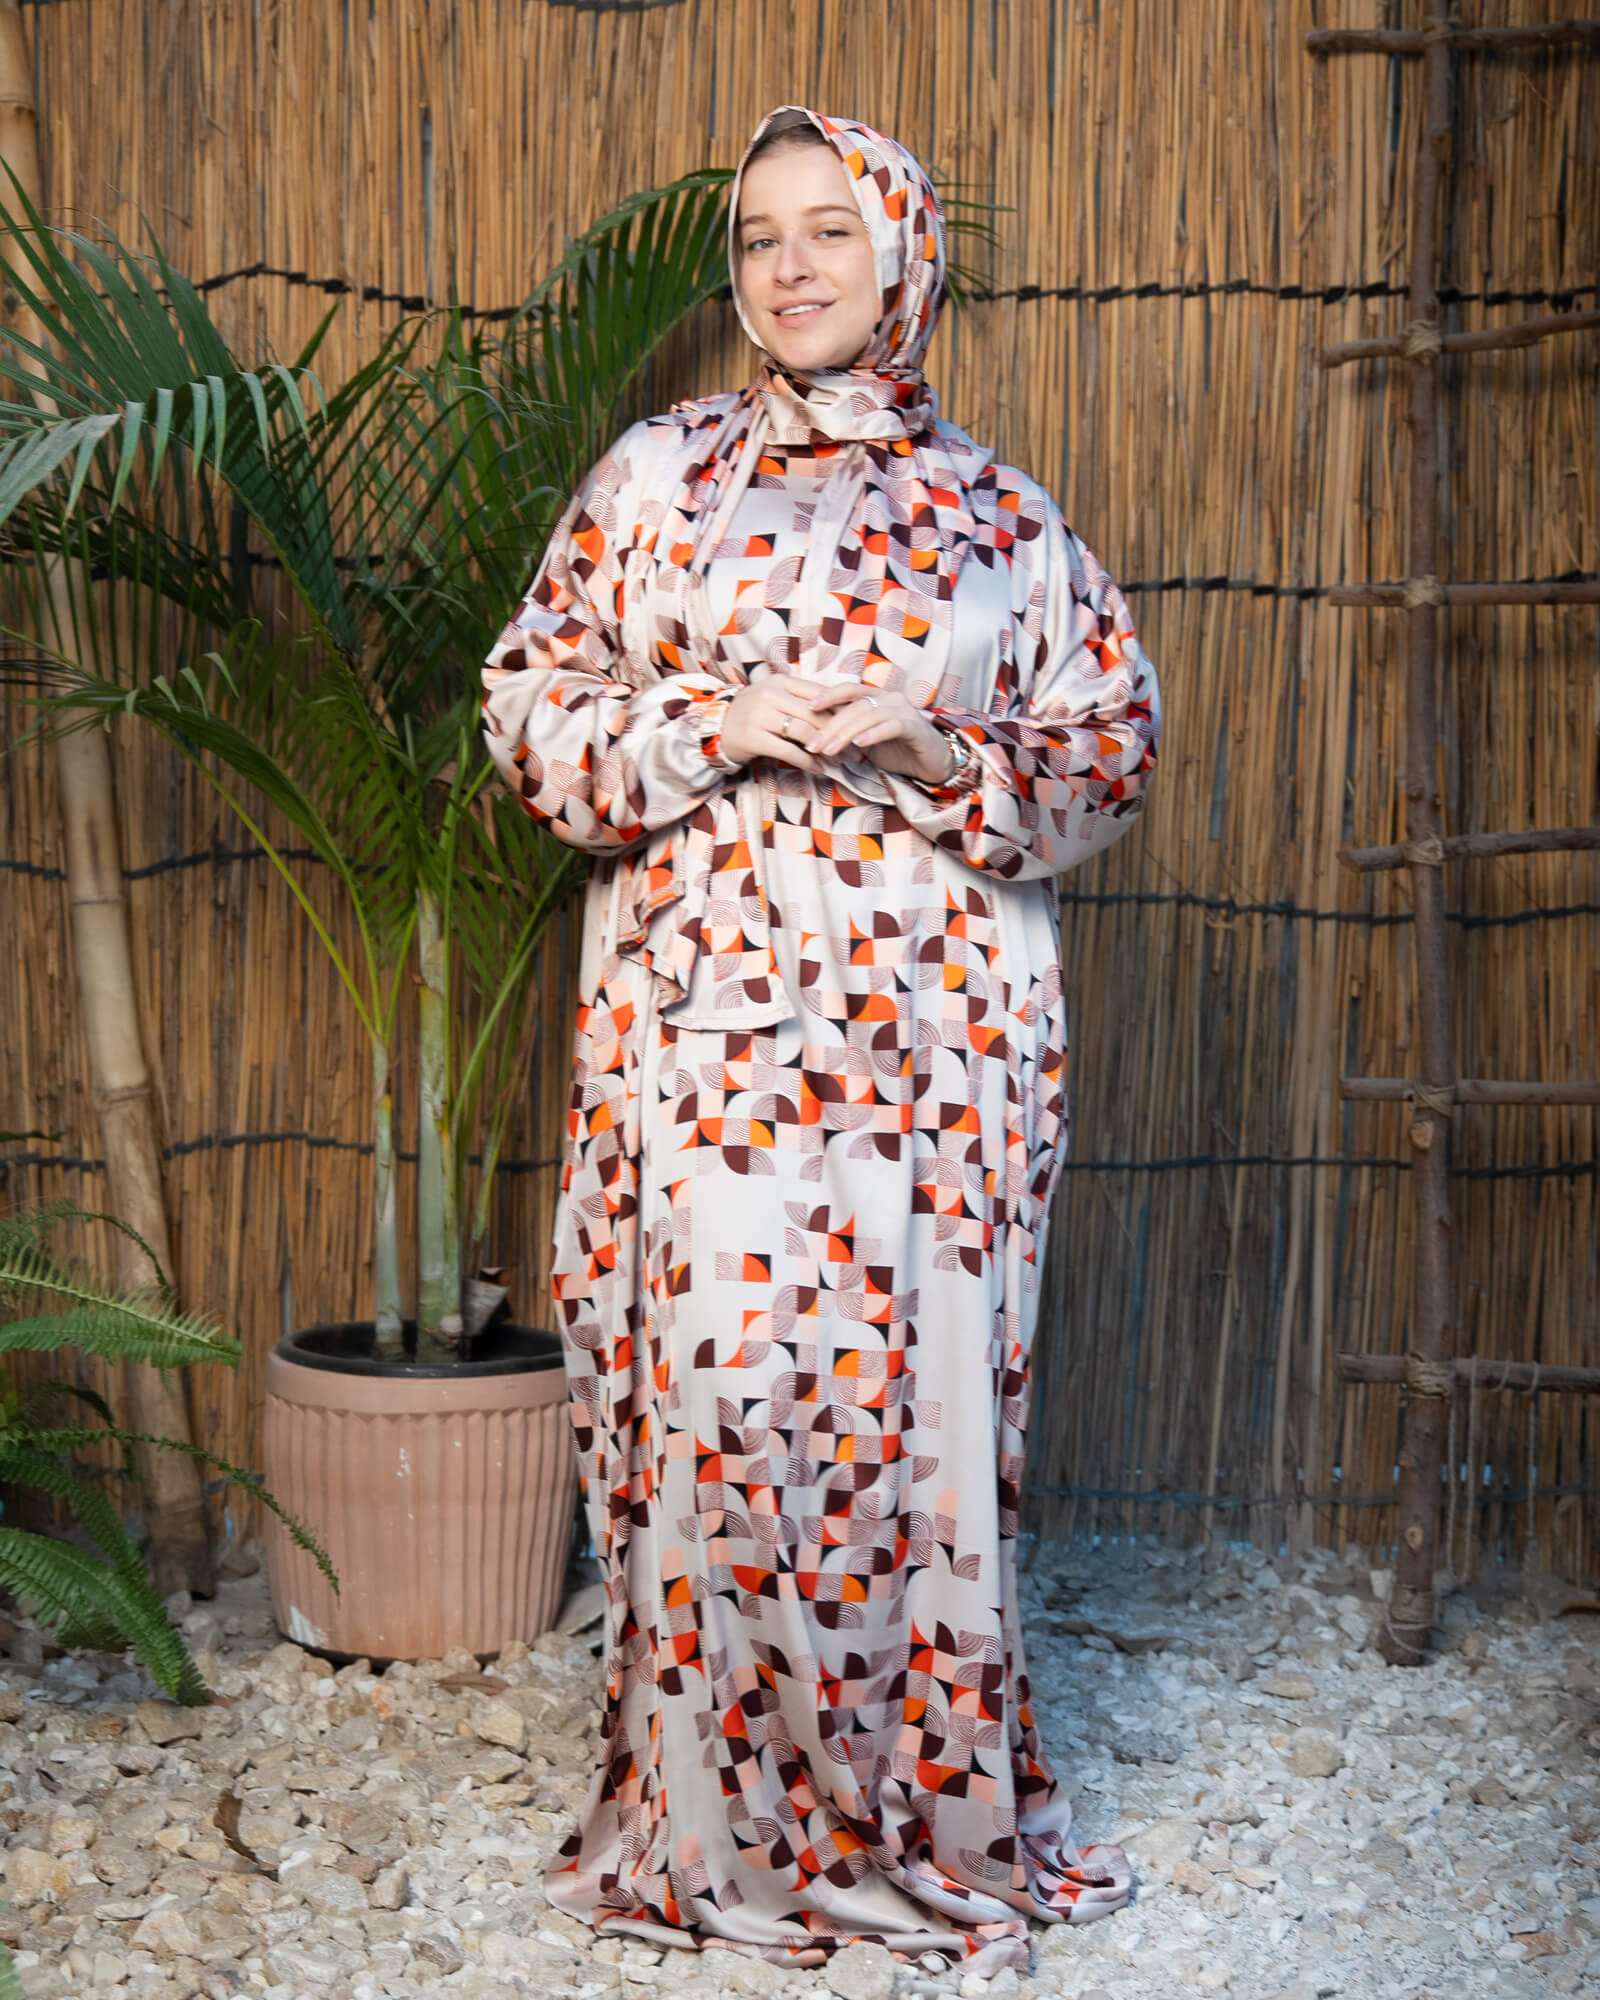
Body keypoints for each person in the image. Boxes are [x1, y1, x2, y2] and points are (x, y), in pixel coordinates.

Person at [483, 104, 1160, 1975]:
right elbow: (531, 710)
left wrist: (930, 744)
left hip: (937, 1064)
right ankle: (710, 1820)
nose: (790, 269)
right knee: (717, 1412)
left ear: (902, 255)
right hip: (701, 1049)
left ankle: (919, 1813)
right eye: (761, 237)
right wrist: (713, 723)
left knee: (908, 1426)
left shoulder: (1004, 521)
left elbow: (1108, 752)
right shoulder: (655, 480)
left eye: (829, 231)